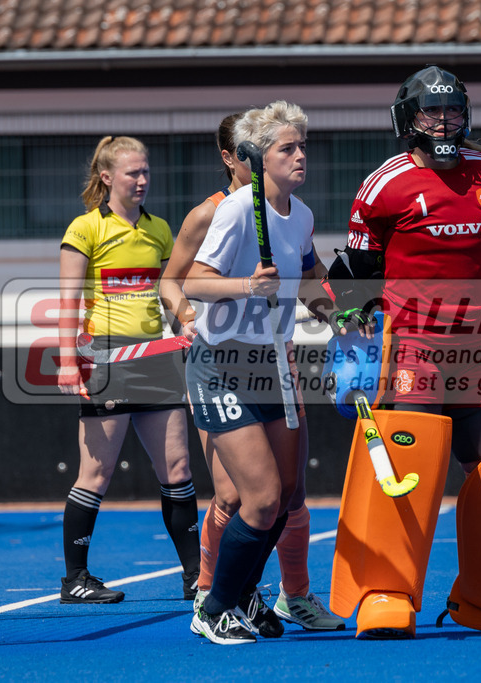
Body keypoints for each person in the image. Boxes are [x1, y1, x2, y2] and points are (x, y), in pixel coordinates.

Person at [325, 66, 481, 638]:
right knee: (405, 473)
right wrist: (347, 335)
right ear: (408, 119)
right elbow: (354, 274)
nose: (445, 121)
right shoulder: (384, 186)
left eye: (453, 111)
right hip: (412, 354)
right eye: (432, 112)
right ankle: (387, 592)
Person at [159, 113, 343, 631]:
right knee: (252, 497)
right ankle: (212, 606)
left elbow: (310, 279)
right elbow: (190, 280)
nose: (301, 156)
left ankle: (245, 594)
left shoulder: (301, 215)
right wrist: (243, 288)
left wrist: (342, 315)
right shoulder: (236, 210)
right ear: (257, 158)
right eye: (288, 149)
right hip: (221, 361)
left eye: (303, 146)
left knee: (284, 497)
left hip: (274, 360)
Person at [55, 135, 200, 603]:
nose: (142, 180)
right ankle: (75, 579)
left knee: (177, 468)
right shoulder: (85, 229)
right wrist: (65, 359)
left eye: (145, 172)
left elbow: (168, 289)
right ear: (106, 177)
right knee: (97, 473)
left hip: (155, 357)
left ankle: (197, 574)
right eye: (132, 173)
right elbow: (67, 300)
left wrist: (187, 320)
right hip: (106, 359)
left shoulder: (159, 229)